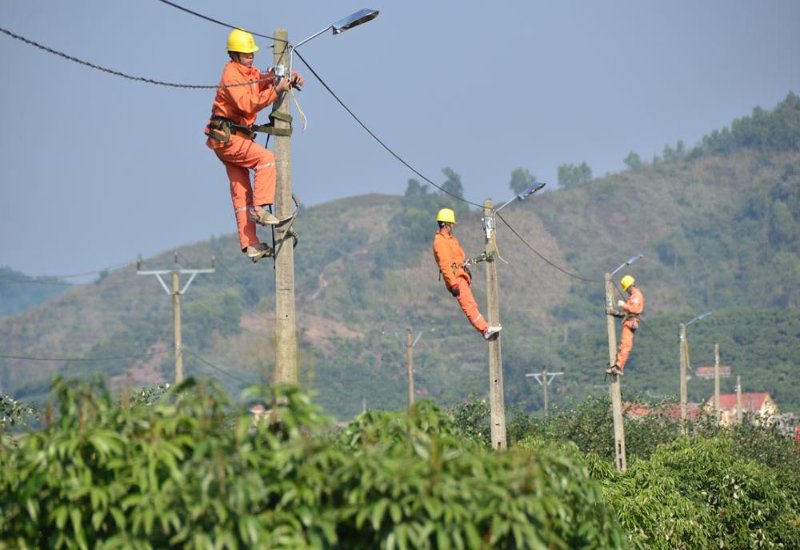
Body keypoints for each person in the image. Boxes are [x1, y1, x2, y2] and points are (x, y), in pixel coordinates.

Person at [205, 29, 304, 260]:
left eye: (252, 54)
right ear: (234, 55)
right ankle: (260, 210)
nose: (251, 57)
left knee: (241, 192)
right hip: (227, 139)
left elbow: (261, 78)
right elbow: (248, 104)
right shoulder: (231, 75)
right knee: (266, 160)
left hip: (230, 138)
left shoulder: (245, 71)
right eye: (246, 54)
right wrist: (276, 91)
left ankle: (250, 244)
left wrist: (286, 77)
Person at [432, 208, 502, 340]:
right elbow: (445, 265)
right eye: (451, 224)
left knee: (471, 304)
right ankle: (485, 330)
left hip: (460, 274)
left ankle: (485, 328)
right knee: (469, 305)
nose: (453, 226)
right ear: (446, 224)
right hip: (456, 278)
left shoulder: (449, 240)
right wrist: (453, 285)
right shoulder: (440, 242)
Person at [607, 274, 644, 376]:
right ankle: (618, 365)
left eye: (627, 289)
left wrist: (624, 305)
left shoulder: (636, 296)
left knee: (625, 345)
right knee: (624, 344)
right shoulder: (631, 297)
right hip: (628, 321)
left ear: (629, 286)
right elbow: (624, 313)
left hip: (631, 322)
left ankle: (618, 367)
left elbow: (635, 310)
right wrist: (614, 313)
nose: (627, 291)